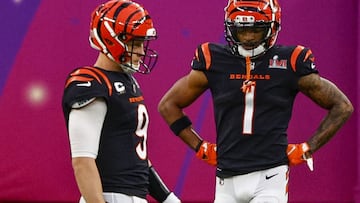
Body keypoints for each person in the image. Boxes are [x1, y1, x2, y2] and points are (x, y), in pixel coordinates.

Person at [157, 0, 354, 202]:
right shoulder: (214, 59)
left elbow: (342, 106)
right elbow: (168, 105)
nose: (249, 37)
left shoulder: (290, 60)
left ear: (272, 27)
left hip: (270, 175)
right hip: (226, 177)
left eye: (256, 30)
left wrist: (307, 148)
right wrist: (200, 147)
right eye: (242, 30)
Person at [62, 1, 181, 203]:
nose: (142, 51)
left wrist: (169, 199)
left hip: (133, 196)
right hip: (107, 196)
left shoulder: (127, 81)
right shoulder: (92, 83)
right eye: (135, 43)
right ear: (111, 39)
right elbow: (83, 161)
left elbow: (137, 159)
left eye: (143, 43)